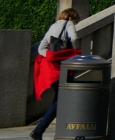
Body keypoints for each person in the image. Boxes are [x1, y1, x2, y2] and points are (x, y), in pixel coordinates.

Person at [30, 8, 81, 140]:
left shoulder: (53, 26)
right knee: (64, 98)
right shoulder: (69, 24)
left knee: (59, 100)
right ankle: (38, 130)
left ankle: (44, 131)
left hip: (52, 69)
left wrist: (52, 56)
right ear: (72, 18)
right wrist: (74, 52)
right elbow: (74, 38)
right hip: (64, 68)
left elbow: (42, 47)